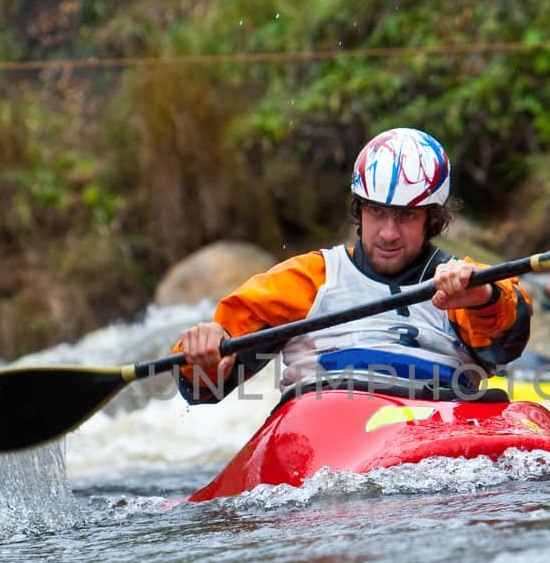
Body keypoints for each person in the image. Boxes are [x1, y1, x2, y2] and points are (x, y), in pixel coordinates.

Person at [175, 127, 531, 404]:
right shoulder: (308, 279)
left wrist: (483, 297)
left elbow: (506, 345)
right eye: (376, 211)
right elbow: (207, 386)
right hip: (325, 424)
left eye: (405, 216)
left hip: (437, 424)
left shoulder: (465, 282)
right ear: (360, 210)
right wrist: (203, 357)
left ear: (431, 220)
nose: (388, 233)